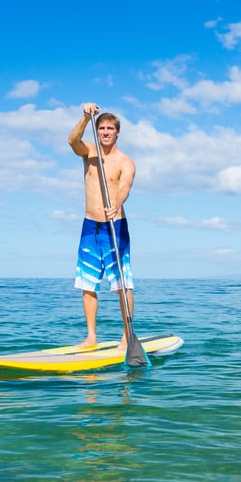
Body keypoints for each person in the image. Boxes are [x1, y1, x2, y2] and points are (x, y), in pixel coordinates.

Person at [67, 102, 138, 350]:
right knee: (87, 285)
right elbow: (71, 140)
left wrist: (117, 204)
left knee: (121, 284)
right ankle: (91, 338)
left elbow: (125, 187)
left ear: (117, 132)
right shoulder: (89, 152)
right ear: (97, 132)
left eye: (110, 129)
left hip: (115, 228)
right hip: (90, 227)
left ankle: (127, 336)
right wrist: (85, 118)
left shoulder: (125, 162)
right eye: (102, 128)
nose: (106, 132)